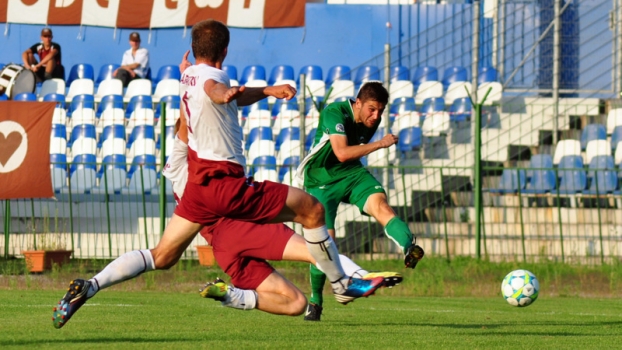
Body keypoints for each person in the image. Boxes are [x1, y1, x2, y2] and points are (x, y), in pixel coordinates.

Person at [52, 19, 383, 329]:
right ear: (225, 51)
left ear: (194, 51)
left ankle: (91, 284)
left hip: (199, 194)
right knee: (313, 211)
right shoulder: (214, 79)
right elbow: (214, 87)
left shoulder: (186, 79)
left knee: (163, 255)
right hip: (228, 187)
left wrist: (262, 91)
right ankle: (341, 284)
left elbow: (212, 92)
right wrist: (221, 93)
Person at [169, 116, 401, 316]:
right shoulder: (191, 159)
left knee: (296, 304)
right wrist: (190, 81)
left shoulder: (177, 170)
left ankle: (230, 294)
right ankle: (358, 277)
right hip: (237, 228)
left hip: (222, 249)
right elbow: (188, 123)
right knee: (314, 249)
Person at [296, 81, 425, 321]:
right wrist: (380, 144)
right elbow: (342, 153)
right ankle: (315, 301)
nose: (376, 116)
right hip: (320, 180)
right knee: (325, 243)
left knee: (381, 205)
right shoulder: (334, 112)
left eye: (381, 111)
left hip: (351, 174)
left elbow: (349, 159)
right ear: (358, 104)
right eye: (372, 109)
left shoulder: (369, 122)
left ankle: (409, 247)